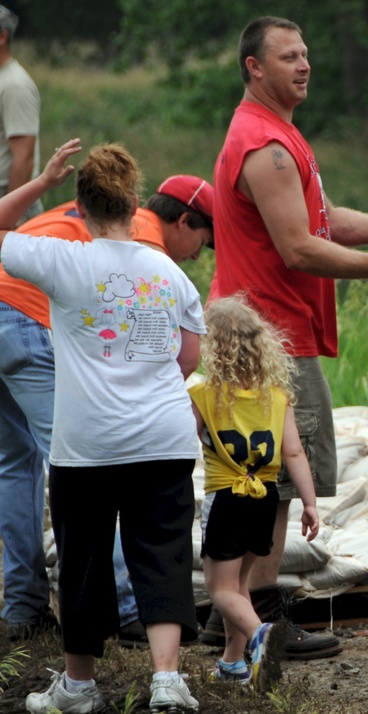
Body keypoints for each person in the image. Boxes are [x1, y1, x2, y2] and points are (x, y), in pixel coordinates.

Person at [203, 15, 368, 660]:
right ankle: (264, 622)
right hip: (269, 337)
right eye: (287, 57)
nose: (303, 66)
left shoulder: (280, 137)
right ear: (254, 66)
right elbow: (301, 247)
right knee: (271, 484)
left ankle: (237, 624)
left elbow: (326, 222)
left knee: (259, 481)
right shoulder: (266, 145)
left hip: (267, 333)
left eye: (306, 54)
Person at [0, 142, 203, 713]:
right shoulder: (168, 272)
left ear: (80, 208)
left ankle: (79, 688)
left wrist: (40, 182)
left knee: (84, 561)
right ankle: (166, 679)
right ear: (136, 203)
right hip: (163, 440)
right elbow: (187, 358)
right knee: (162, 554)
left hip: (87, 447)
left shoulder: (64, 261)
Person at [190, 296, 321, 691]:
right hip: (264, 498)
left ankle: (261, 634)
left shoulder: (203, 397)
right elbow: (294, 452)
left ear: (212, 347)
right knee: (240, 586)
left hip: (227, 499)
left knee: (219, 589)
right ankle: (232, 662)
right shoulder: (276, 398)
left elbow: (180, 441)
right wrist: (310, 503)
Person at [0, 5, 40, 222]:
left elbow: (23, 158)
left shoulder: (15, 85)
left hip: (9, 206)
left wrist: (9, 220)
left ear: (2, 37)